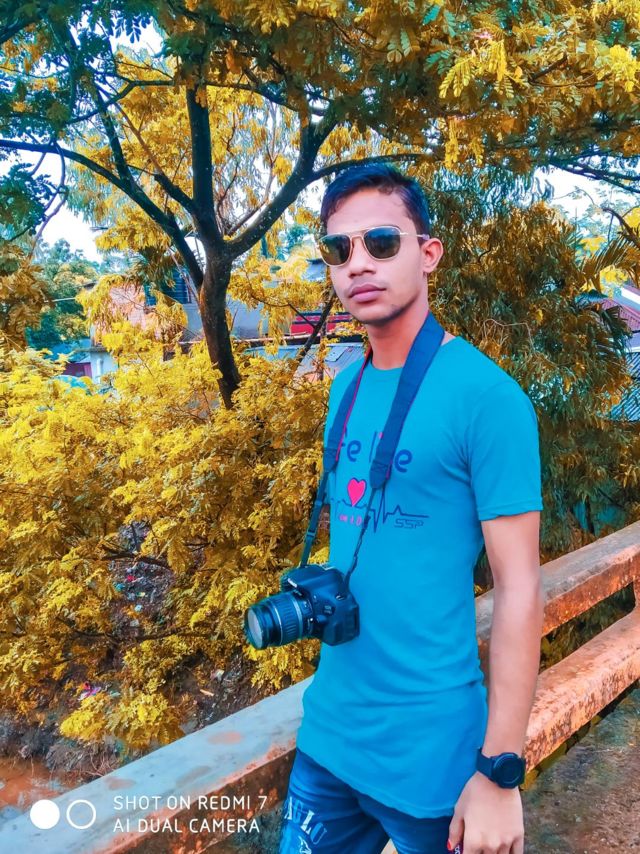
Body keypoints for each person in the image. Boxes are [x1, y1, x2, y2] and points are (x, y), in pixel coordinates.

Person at [279, 164, 544, 854]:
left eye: (381, 242)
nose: (357, 264)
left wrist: (500, 771)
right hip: (329, 737)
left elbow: (519, 589)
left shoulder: (488, 398)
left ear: (428, 253)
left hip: (436, 758)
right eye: (338, 249)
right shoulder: (344, 389)